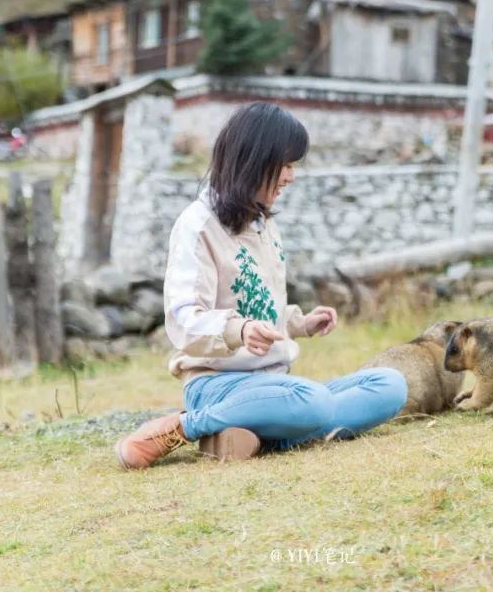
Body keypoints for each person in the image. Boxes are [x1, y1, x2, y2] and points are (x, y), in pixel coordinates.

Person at [115, 102, 407, 470]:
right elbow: (185, 321)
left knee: (390, 385)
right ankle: (185, 427)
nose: (291, 176)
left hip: (274, 385)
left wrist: (298, 323)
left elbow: (261, 312)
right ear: (254, 160)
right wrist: (240, 330)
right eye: (285, 165)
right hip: (217, 385)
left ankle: (253, 437)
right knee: (313, 402)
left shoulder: (262, 225)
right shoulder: (197, 226)